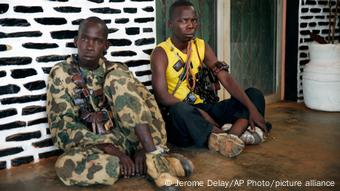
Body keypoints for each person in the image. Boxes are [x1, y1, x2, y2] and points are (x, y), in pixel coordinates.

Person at [46, 16, 193, 191]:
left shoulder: (118, 71)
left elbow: (149, 107)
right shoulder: (61, 74)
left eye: (97, 41)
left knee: (117, 79)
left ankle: (153, 158)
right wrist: (107, 147)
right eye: (84, 39)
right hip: (96, 144)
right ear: (76, 41)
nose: (89, 46)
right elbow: (61, 128)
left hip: (131, 137)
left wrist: (142, 147)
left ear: (106, 46)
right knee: (65, 165)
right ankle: (150, 166)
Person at [150, 1, 271, 158]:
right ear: (170, 24)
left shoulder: (201, 46)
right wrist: (199, 112)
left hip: (208, 108)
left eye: (193, 20)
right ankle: (234, 132)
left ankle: (231, 136)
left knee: (254, 94)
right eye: (183, 21)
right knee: (179, 111)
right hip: (185, 115)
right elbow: (162, 96)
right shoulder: (161, 53)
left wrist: (252, 109)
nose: (190, 25)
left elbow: (225, 78)